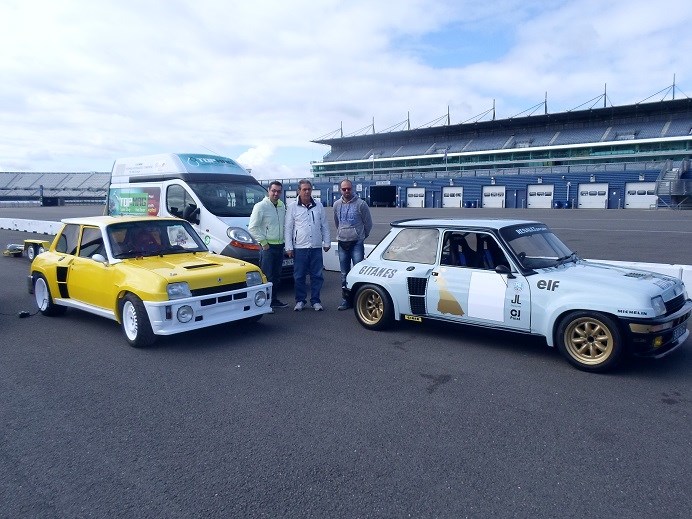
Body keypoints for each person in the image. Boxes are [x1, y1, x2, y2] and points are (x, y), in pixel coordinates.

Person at [284, 179, 330, 311]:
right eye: (304, 189)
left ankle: (315, 301)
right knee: (299, 276)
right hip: (300, 247)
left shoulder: (319, 205)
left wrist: (327, 242)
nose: (307, 192)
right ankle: (300, 300)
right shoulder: (292, 207)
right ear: (299, 191)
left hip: (315, 246)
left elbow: (324, 225)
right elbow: (288, 228)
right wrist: (289, 247)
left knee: (317, 275)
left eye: (309, 189)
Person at [333, 179, 372, 310]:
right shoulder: (336, 205)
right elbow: (337, 222)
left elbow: (368, 223)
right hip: (342, 242)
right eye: (344, 189)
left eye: (348, 189)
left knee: (358, 272)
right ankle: (346, 299)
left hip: (357, 243)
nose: (346, 191)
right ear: (340, 190)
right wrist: (342, 233)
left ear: (352, 188)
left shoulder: (361, 204)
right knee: (344, 273)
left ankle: (359, 299)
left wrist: (361, 236)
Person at [248, 180, 288, 308]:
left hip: (280, 246)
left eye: (278, 191)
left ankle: (273, 300)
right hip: (268, 248)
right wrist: (264, 243)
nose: (276, 194)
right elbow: (252, 227)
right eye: (273, 191)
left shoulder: (282, 206)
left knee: (277, 276)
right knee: (267, 276)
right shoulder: (260, 206)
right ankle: (264, 303)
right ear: (268, 191)